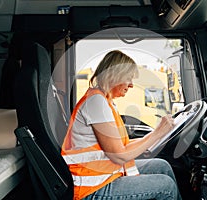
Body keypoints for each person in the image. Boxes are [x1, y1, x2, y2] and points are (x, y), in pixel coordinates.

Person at [61, 50, 182, 200]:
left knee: (162, 166)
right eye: (128, 78)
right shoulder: (96, 102)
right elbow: (119, 156)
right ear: (114, 76)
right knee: (166, 186)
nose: (131, 85)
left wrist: (157, 135)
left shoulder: (104, 101)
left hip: (104, 173)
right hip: (92, 187)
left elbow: (120, 146)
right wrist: (157, 133)